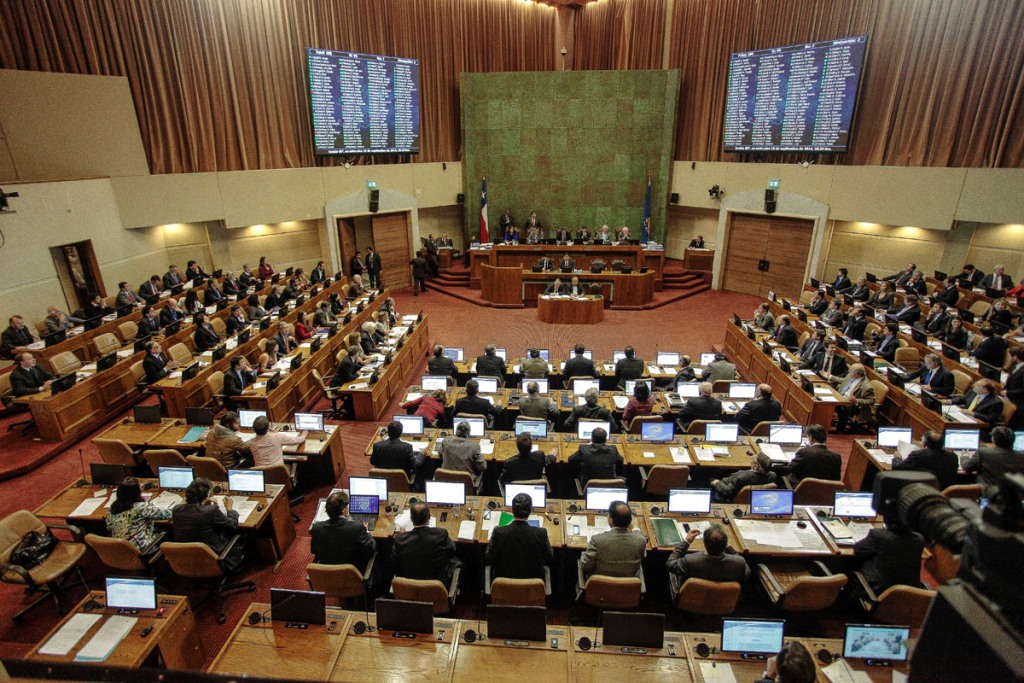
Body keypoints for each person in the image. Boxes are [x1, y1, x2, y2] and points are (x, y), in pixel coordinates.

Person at [172, 477, 245, 571]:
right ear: (206, 494)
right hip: (213, 556)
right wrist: (230, 509)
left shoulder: (176, 509)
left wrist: (203, 505)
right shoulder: (211, 510)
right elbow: (232, 525)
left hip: (187, 558)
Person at [666, 523, 750, 596]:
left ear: (704, 543)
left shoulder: (690, 561)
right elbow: (746, 574)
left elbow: (670, 563)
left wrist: (686, 542)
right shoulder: (739, 563)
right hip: (723, 602)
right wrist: (727, 546)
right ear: (725, 544)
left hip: (694, 599)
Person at [486, 492, 553, 581]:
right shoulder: (541, 533)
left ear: (512, 510)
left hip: (503, 584)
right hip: (532, 585)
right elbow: (549, 557)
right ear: (530, 511)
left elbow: (489, 557)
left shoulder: (499, 532)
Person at [852, 515, 925, 595]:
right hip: (908, 594)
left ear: (886, 520)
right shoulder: (919, 539)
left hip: (878, 592)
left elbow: (858, 549)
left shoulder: (878, 535)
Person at [393, 501, 460, 583]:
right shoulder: (440, 534)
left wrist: (403, 535)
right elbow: (452, 550)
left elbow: (394, 562)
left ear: (411, 519)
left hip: (410, 584)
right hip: (438, 584)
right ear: (429, 517)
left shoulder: (400, 540)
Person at [310, 490, 376, 571]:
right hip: (352, 574)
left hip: (327, 576)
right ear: (343, 510)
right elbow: (371, 548)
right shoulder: (356, 528)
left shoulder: (317, 528)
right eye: (347, 506)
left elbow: (314, 550)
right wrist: (367, 532)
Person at [579, 501, 646, 578]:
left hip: (600, 584)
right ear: (630, 520)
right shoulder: (640, 540)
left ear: (611, 520)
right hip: (627, 585)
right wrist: (636, 528)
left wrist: (583, 555)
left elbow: (585, 566)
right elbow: (643, 555)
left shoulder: (597, 540)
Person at [106, 477, 171, 551]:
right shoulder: (141, 507)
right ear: (136, 492)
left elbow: (109, 527)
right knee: (168, 533)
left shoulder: (113, 507)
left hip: (120, 549)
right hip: (142, 549)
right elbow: (166, 514)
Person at [891, 430, 958, 490]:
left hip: (920, 491)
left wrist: (897, 458)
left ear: (924, 442)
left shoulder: (918, 455)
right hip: (945, 492)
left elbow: (898, 468)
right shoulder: (953, 456)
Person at [438, 421, 486, 492]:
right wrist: (481, 456)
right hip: (466, 484)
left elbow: (440, 452)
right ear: (468, 434)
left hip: (446, 482)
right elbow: (482, 467)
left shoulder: (446, 441)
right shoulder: (474, 446)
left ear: (456, 432)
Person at [711, 453, 777, 503]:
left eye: (753, 459)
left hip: (725, 495)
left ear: (756, 466)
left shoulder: (742, 478)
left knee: (706, 477)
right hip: (751, 500)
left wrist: (717, 483)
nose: (751, 460)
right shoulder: (772, 475)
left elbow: (728, 492)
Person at [832, 364, 875, 432]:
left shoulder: (866, 386)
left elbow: (871, 400)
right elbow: (843, 381)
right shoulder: (850, 376)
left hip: (852, 405)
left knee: (843, 409)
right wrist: (831, 377)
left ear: (857, 374)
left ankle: (840, 430)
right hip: (840, 397)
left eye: (850, 371)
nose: (849, 371)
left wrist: (856, 400)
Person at [1004, 347, 1024, 430]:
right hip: (1010, 398)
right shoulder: (1016, 366)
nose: (1009, 359)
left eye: (1011, 357)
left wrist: (1008, 393)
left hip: (1019, 404)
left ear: (1015, 357)